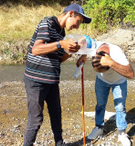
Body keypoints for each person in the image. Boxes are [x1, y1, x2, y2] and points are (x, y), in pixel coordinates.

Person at [23, 4, 91, 146]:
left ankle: (59, 143)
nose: (77, 27)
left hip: (52, 80)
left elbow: (59, 59)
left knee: (56, 114)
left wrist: (75, 50)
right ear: (71, 14)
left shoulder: (61, 33)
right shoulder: (47, 23)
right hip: (36, 80)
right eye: (78, 21)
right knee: (36, 119)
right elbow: (36, 50)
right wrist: (61, 44)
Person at [88, 42, 134, 146]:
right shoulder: (94, 47)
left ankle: (122, 133)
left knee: (120, 107)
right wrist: (82, 57)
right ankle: (99, 127)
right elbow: (83, 45)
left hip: (119, 81)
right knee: (100, 104)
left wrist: (111, 63)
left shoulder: (117, 53)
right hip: (101, 81)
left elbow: (131, 74)